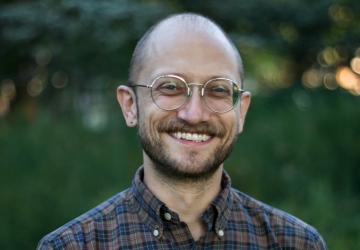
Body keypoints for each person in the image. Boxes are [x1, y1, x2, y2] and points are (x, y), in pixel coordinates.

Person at [37, 13, 328, 249]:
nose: (194, 114)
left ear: (241, 111)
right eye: (170, 87)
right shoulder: (72, 246)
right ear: (130, 106)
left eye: (217, 90)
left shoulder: (296, 243)